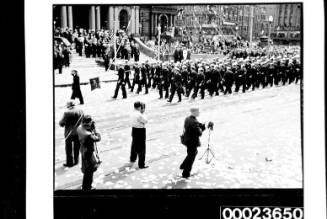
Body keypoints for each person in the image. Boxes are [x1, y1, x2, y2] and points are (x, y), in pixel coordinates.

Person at [180, 107, 206, 178]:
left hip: (187, 140)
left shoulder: (187, 118)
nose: (199, 112)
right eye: (198, 111)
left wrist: (200, 125)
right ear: (194, 112)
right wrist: (202, 128)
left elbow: (195, 124)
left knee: (191, 153)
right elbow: (199, 133)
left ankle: (183, 165)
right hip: (192, 142)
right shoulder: (194, 122)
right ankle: (186, 173)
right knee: (192, 157)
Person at [77, 115, 101, 190]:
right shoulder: (89, 135)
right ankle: (87, 187)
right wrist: (96, 129)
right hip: (88, 152)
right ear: (89, 122)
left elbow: (87, 130)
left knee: (86, 167)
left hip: (83, 149)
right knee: (89, 170)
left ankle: (85, 185)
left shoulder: (79, 127)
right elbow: (98, 138)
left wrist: (91, 127)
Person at [59, 101, 84, 167]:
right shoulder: (80, 111)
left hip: (69, 133)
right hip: (78, 132)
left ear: (68, 106)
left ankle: (70, 163)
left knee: (69, 149)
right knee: (77, 147)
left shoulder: (67, 113)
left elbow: (61, 123)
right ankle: (76, 161)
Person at [130, 101, 149, 169]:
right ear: (139, 107)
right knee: (142, 148)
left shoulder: (132, 113)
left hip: (134, 130)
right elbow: (145, 121)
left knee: (134, 145)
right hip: (140, 131)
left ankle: (132, 158)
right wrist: (143, 113)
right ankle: (141, 164)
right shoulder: (139, 115)